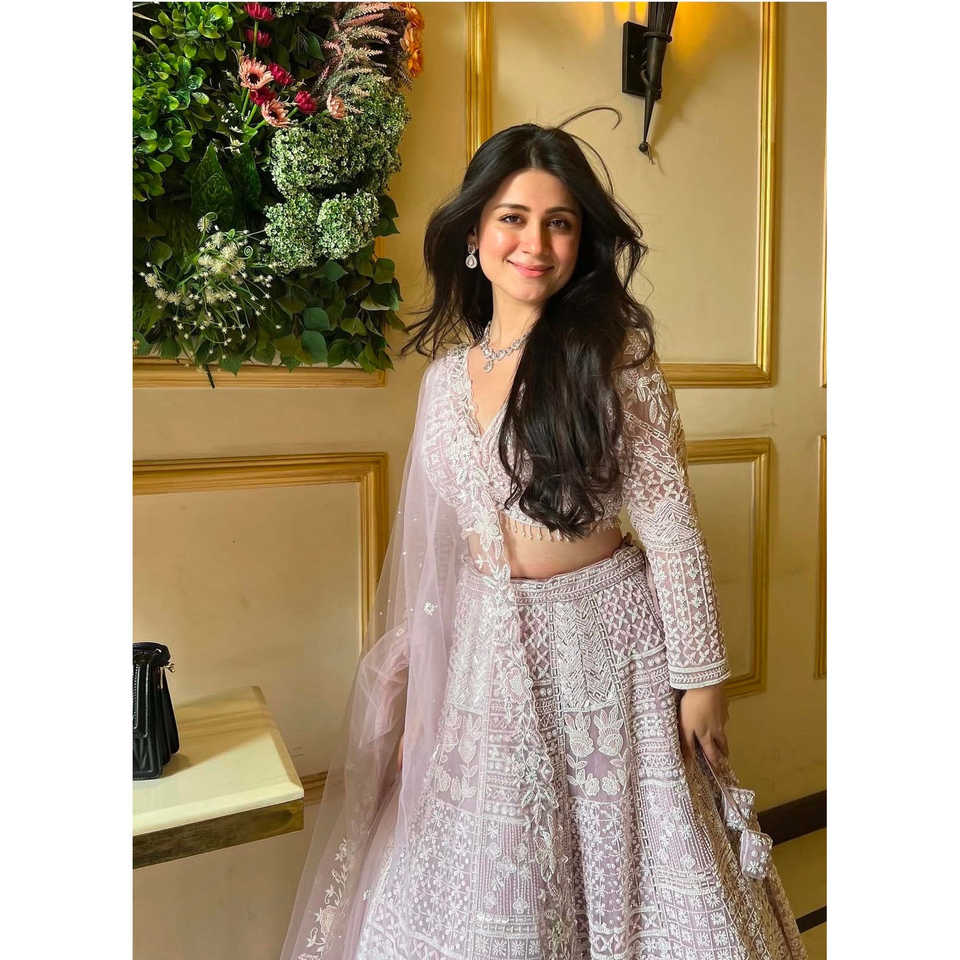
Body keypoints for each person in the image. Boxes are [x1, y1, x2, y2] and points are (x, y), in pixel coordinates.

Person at [281, 110, 807, 960]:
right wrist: (422, 693)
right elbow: (437, 559)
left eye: (559, 222)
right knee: (504, 874)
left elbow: (672, 528)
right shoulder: (443, 382)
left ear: (581, 241)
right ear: (474, 236)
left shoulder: (612, 359)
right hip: (487, 656)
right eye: (513, 218)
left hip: (608, 653)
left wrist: (702, 679)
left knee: (625, 868)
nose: (535, 243)